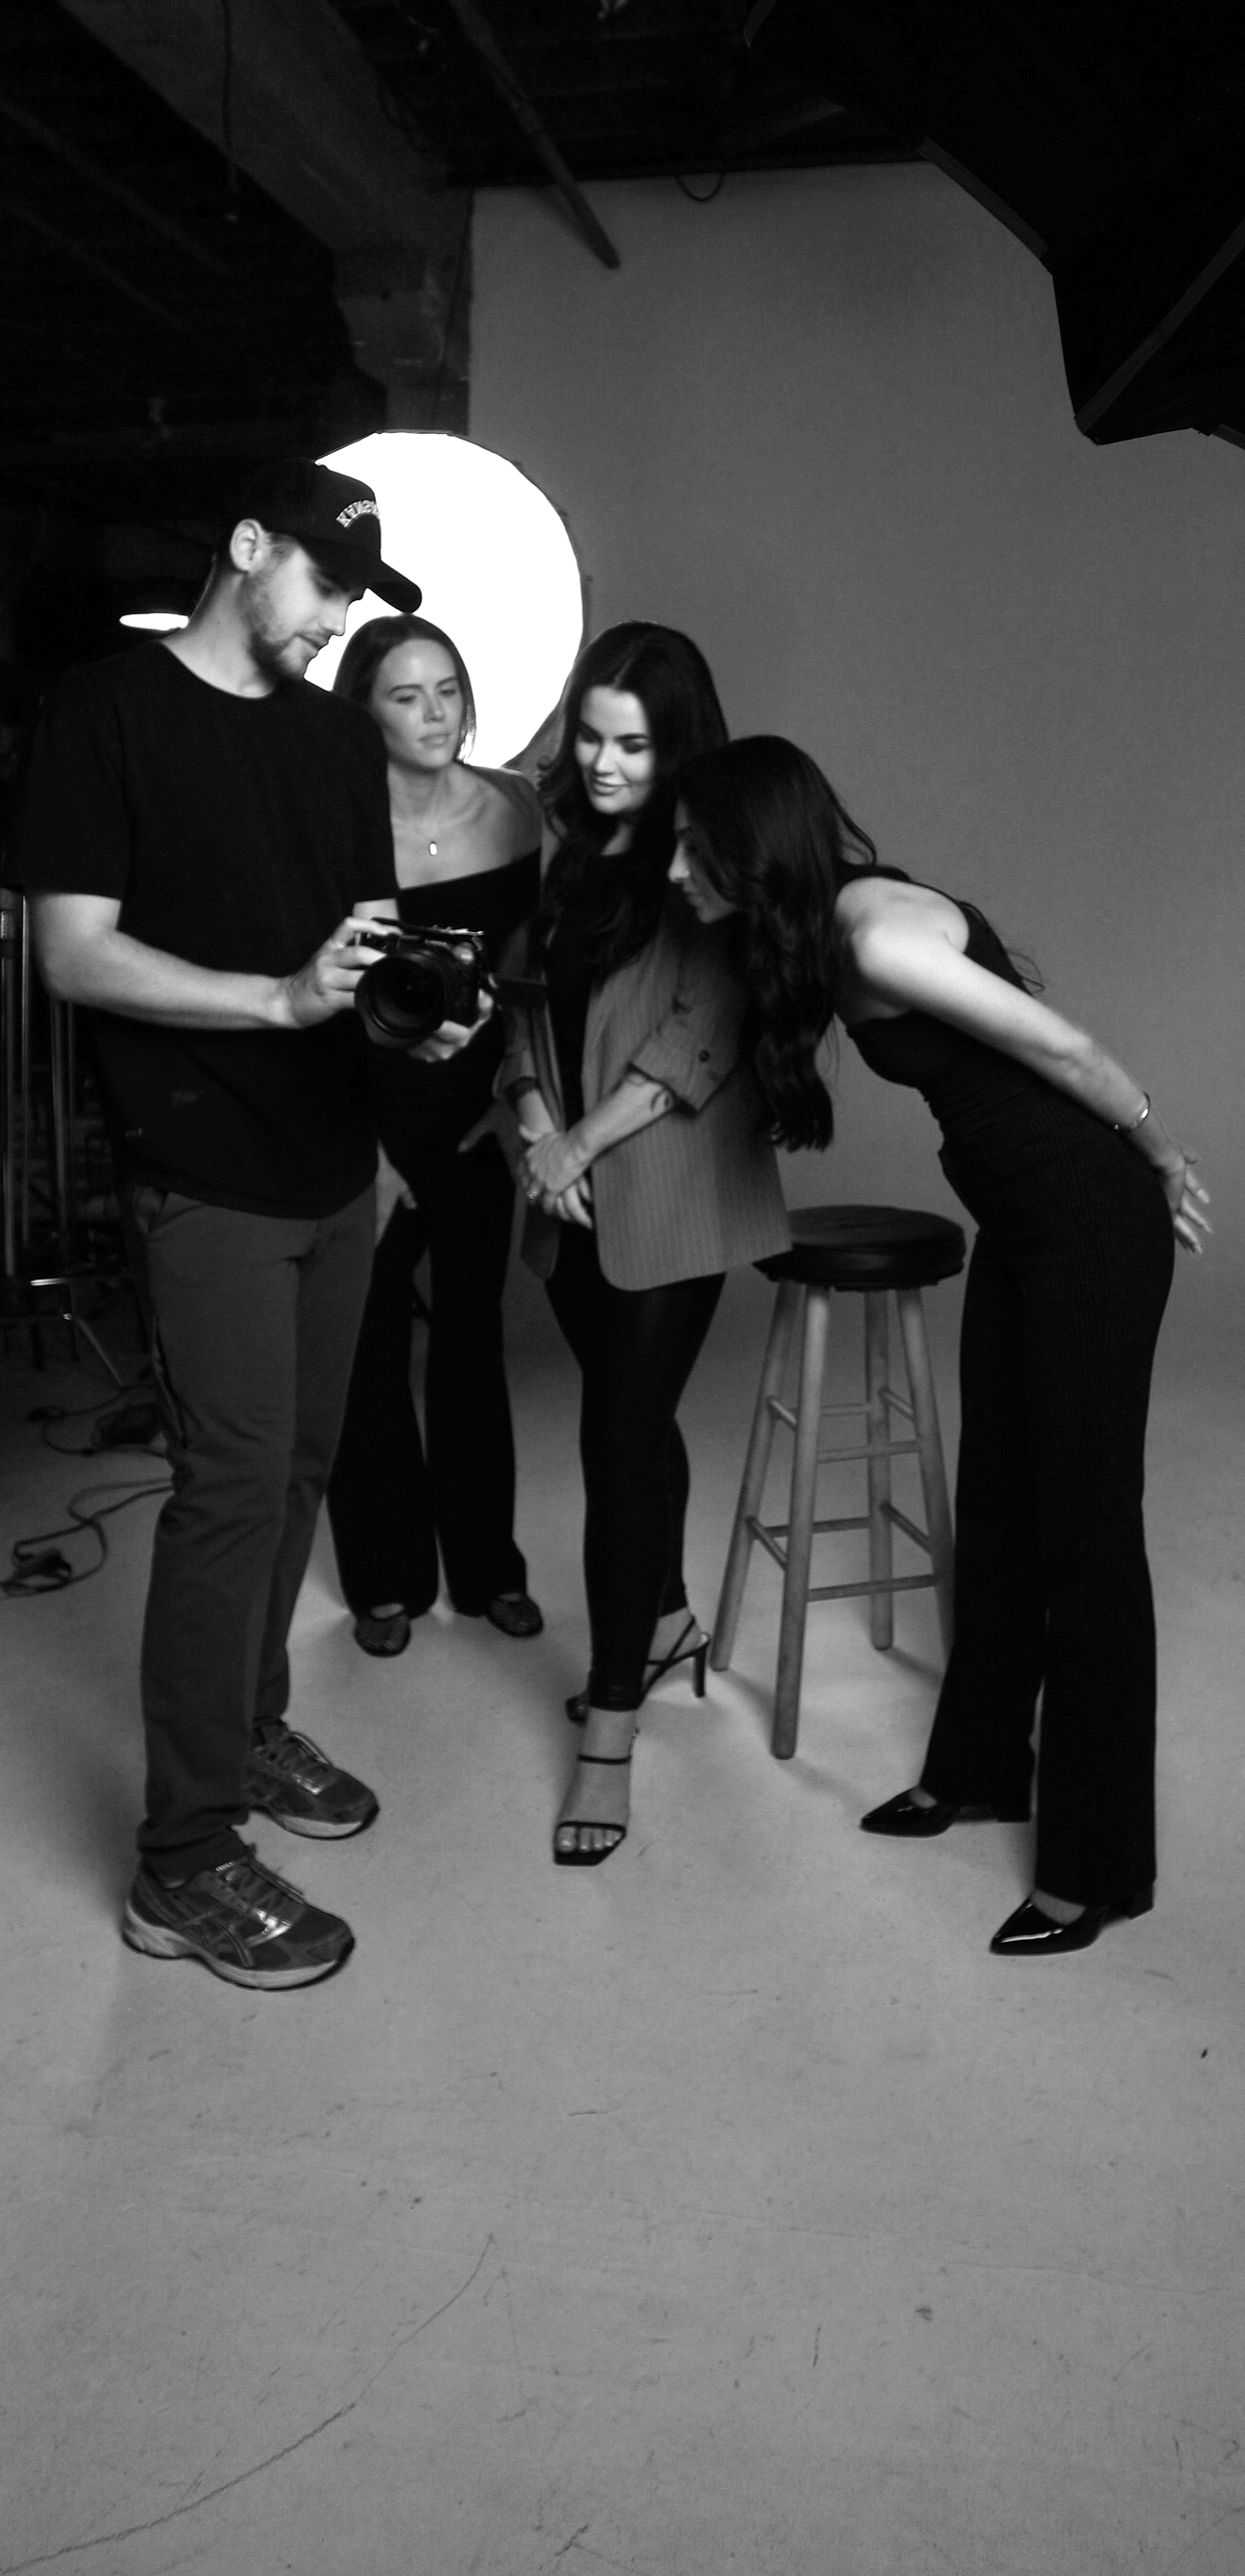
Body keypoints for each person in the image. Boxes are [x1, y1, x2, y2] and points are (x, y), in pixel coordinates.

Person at [17, 457, 479, 1994]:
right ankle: (182, 1857)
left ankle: (246, 1717)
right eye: (327, 584)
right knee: (226, 1487)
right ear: (245, 546)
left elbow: (342, 960)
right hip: (198, 1163)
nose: (337, 618)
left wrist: (391, 1058)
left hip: (334, 1161)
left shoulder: (339, 744)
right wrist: (268, 1003)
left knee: (298, 1465)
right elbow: (75, 957)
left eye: (358, 598)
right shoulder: (110, 712)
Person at [670, 736, 1210, 1958]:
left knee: (1086, 1540)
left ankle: (1098, 1866)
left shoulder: (875, 937)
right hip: (1025, 1228)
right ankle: (978, 1771)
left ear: (751, 851)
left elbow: (1061, 1048)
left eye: (693, 851)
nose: (676, 870)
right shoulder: (820, 929)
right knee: (1003, 1506)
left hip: (1087, 1225)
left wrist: (1164, 1157)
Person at [507, 626, 790, 1869]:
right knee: (638, 1425)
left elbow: (699, 1033)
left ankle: (610, 1730)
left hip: (670, 1198)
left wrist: (580, 1145)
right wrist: (530, 1121)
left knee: (615, 1441)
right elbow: (522, 1002)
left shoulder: (708, 860)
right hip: (563, 1197)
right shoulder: (564, 852)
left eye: (634, 742)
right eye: (591, 735)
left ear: (677, 745)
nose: (607, 763)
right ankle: (666, 1619)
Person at [324, 613, 543, 1653]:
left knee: (470, 1344)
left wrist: (515, 1100)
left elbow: (533, 982)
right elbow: (323, 1005)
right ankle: (385, 1577)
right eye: (405, 695)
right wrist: (362, 1151)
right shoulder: (335, 827)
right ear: (362, 712)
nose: (433, 714)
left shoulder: (515, 807)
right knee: (363, 1354)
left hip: (475, 1117)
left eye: (446, 689)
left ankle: (487, 1567)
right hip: (360, 1112)